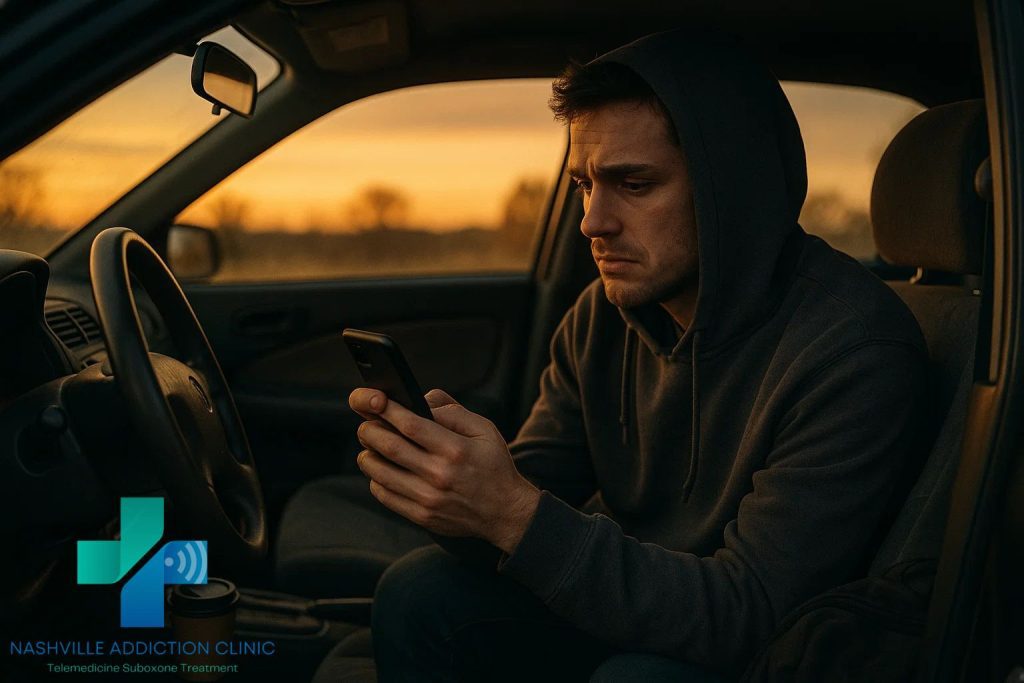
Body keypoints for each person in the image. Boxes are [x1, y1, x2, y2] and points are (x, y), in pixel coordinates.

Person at [347, 29, 928, 681]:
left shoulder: (853, 349)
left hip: (773, 648)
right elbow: (534, 487)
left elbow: (753, 611)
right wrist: (452, 492)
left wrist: (510, 512)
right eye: (583, 186)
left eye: (633, 183)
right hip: (649, 604)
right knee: (420, 594)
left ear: (726, 188)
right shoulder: (602, 316)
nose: (593, 221)